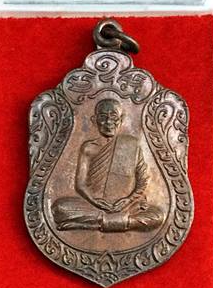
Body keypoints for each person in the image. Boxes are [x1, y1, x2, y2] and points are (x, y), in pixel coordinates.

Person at [51, 99, 164, 233]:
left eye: (114, 117)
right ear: (94, 120)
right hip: (93, 205)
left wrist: (128, 200)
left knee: (157, 216)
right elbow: (80, 185)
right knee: (59, 208)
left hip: (126, 206)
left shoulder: (131, 144)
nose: (109, 122)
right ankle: (122, 222)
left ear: (121, 119)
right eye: (103, 117)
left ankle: (95, 223)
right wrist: (95, 201)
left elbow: (143, 181)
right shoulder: (88, 147)